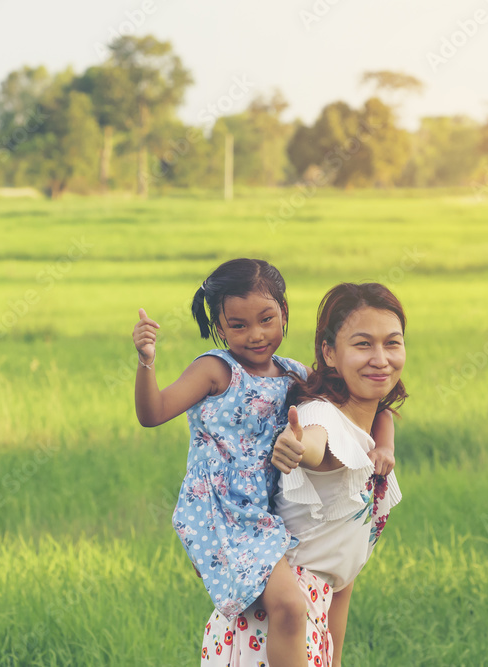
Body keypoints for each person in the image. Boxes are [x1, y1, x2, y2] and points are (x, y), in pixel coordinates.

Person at [136, 259, 393, 667]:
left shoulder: (294, 374)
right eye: (238, 326)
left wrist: (384, 447)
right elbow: (153, 413)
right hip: (221, 510)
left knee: (293, 607)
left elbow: (368, 404)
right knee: (290, 606)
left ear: (284, 314)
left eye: (266, 319)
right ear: (220, 328)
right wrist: (147, 360)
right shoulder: (217, 370)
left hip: (263, 513)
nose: (255, 335)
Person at [200, 282, 407, 667]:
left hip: (314, 619)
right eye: (363, 344)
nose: (380, 358)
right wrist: (295, 445)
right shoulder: (320, 416)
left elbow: (342, 579)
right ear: (329, 353)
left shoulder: (368, 430)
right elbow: (315, 443)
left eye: (392, 343)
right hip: (271, 628)